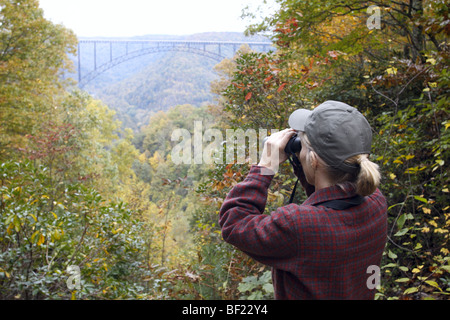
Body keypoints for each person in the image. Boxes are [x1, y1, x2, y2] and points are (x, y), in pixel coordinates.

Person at [219, 101, 387, 300]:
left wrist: (266, 165)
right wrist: (304, 162)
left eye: (302, 146)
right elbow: (329, 201)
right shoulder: (376, 201)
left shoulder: (298, 225)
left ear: (314, 160)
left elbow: (234, 222)